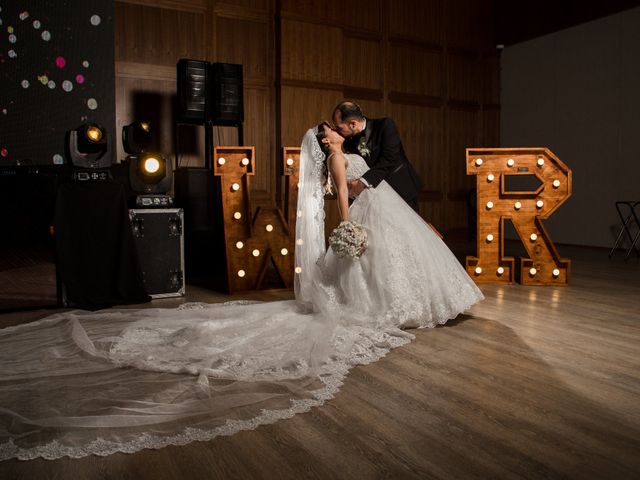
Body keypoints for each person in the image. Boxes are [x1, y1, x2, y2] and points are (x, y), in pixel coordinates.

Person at [0, 123, 483, 461]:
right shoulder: (337, 155)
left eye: (338, 130)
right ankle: (393, 303)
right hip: (368, 212)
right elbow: (342, 194)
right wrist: (350, 228)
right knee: (381, 271)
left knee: (403, 261)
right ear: (327, 140)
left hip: (383, 207)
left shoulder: (344, 149)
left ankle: (405, 299)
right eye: (333, 132)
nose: (338, 132)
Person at [332, 101, 423, 210]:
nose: (337, 132)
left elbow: (389, 160)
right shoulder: (348, 142)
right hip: (377, 199)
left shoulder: (385, 125)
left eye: (340, 128)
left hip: (401, 188)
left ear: (353, 124)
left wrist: (362, 183)